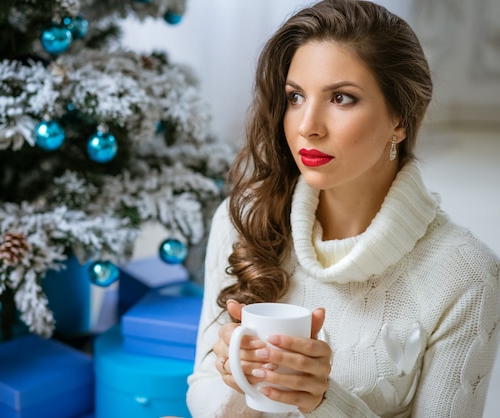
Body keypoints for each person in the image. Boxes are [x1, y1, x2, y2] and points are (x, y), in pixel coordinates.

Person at [186, 0, 500, 416]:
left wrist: (322, 401)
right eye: (295, 97)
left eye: (341, 98)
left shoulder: (465, 277)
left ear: (400, 120)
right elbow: (201, 388)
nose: (307, 125)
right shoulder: (242, 219)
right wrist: (234, 379)